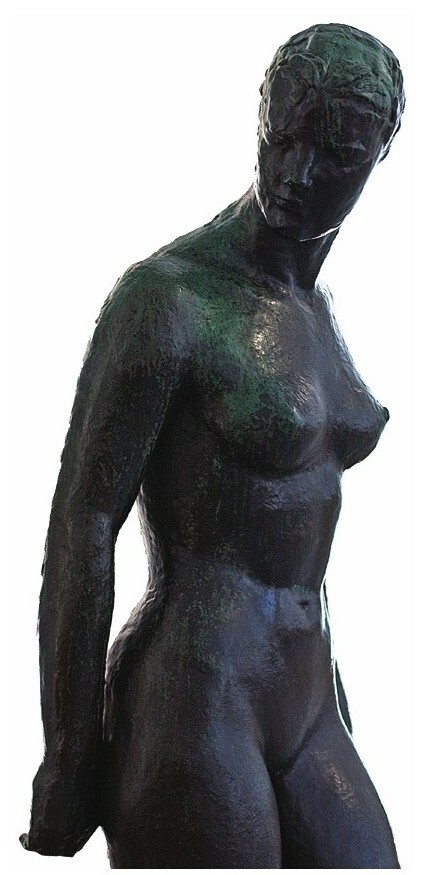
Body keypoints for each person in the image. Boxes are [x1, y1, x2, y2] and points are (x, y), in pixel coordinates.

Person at [21, 23, 404, 868]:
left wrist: (334, 697)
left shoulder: (318, 309)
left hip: (309, 700)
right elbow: (84, 520)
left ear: (379, 154)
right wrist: (69, 750)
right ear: (261, 115)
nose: (296, 173)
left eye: (335, 154)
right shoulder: (169, 299)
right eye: (283, 136)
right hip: (196, 695)